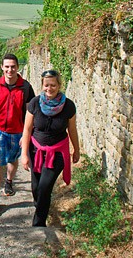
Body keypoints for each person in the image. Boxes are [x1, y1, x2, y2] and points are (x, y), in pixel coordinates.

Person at [20, 69, 80, 226]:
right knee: (35, 187)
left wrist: (76, 150)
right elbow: (27, 129)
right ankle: (40, 206)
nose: (49, 88)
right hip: (36, 151)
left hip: (58, 153)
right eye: (46, 85)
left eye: (53, 85)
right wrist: (24, 154)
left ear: (59, 85)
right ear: (42, 85)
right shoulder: (34, 103)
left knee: (45, 186)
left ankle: (39, 224)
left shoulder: (68, 106)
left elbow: (72, 130)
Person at [0, 53, 35, 215]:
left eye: (13, 66)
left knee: (12, 160)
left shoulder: (25, 87)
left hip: (17, 131)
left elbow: (29, 111)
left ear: (17, 68)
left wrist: (27, 134)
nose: (10, 70)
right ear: (2, 67)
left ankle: (9, 181)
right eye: (7, 66)